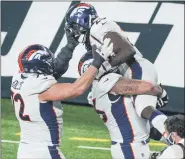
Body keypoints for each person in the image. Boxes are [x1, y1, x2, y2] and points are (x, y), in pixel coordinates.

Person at [65, 2, 169, 141]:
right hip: (131, 70)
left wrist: (104, 67)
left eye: (74, 26)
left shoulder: (97, 29)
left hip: (135, 67)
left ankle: (179, 141)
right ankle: (175, 143)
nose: (73, 31)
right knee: (143, 126)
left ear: (83, 20)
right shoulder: (96, 31)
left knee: (143, 107)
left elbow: (128, 51)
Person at [10, 39, 113, 159]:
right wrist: (97, 62)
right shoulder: (40, 87)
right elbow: (76, 89)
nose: (52, 64)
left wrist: (70, 45)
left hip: (25, 150)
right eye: (48, 62)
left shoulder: (19, 78)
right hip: (44, 151)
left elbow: (56, 70)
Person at [78, 52, 166, 159]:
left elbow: (137, 122)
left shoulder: (95, 90)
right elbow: (149, 87)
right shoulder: (107, 81)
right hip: (130, 148)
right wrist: (162, 93)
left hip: (130, 145)